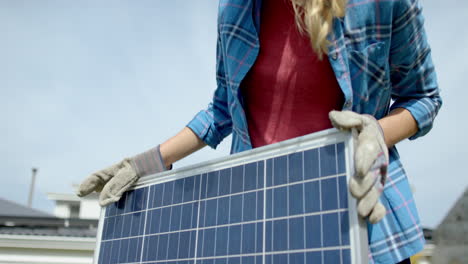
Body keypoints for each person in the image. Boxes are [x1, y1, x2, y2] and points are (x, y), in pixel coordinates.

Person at [77, 0, 442, 263]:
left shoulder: (383, 4)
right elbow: (223, 108)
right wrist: (149, 162)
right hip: (258, 223)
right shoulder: (234, 9)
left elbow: (424, 98)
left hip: (360, 219)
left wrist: (375, 132)